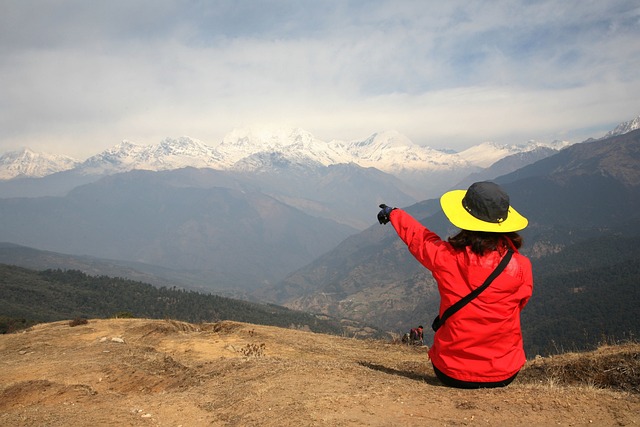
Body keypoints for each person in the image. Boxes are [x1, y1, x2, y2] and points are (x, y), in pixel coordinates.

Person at [377, 181, 533, 389]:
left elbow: (421, 239)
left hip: (451, 371)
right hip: (504, 372)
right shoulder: (521, 266)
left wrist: (394, 214)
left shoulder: (446, 258)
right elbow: (520, 304)